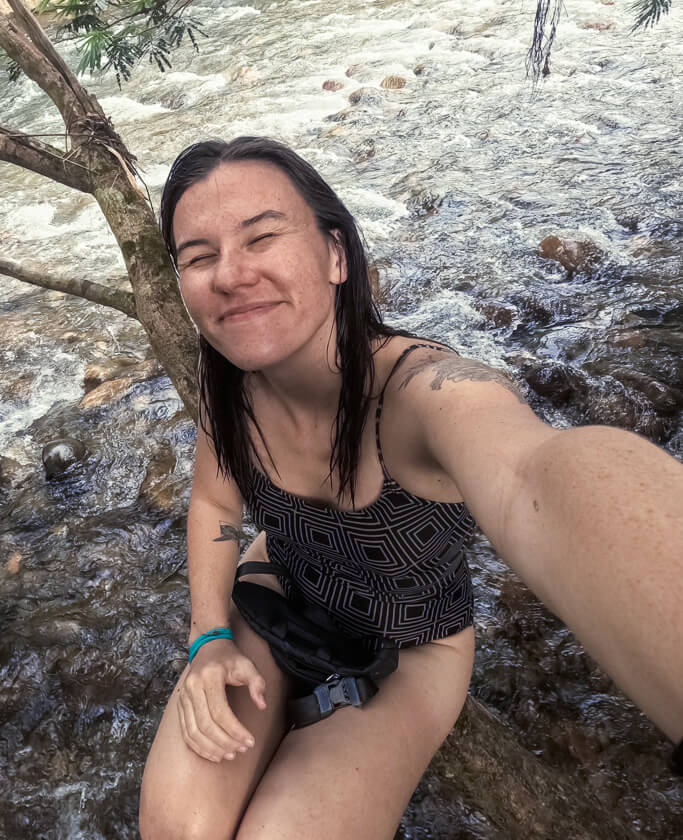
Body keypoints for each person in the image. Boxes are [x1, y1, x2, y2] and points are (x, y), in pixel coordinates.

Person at [140, 136, 683, 840]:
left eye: (262, 237)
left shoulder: (424, 394)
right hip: (279, 590)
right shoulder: (233, 392)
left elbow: (533, 476)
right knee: (177, 828)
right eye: (199, 257)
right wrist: (207, 637)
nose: (230, 274)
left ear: (337, 254)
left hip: (410, 646)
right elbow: (216, 503)